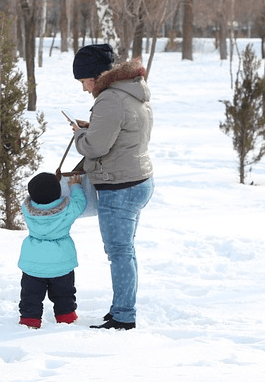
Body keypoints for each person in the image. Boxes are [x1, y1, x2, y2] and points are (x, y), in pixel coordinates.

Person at [71, 44, 154, 330]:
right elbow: (122, 132)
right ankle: (122, 307)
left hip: (119, 185)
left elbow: (95, 147)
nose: (84, 88)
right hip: (137, 179)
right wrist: (92, 127)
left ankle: (123, 316)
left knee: (119, 252)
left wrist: (82, 135)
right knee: (124, 251)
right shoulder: (132, 90)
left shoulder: (110, 99)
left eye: (83, 81)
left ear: (94, 76)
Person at [18, 172, 86, 329]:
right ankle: (66, 316)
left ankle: (29, 319)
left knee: (31, 295)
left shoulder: (27, 210)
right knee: (64, 293)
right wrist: (74, 185)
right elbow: (80, 203)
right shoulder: (68, 210)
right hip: (61, 262)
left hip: (33, 264)